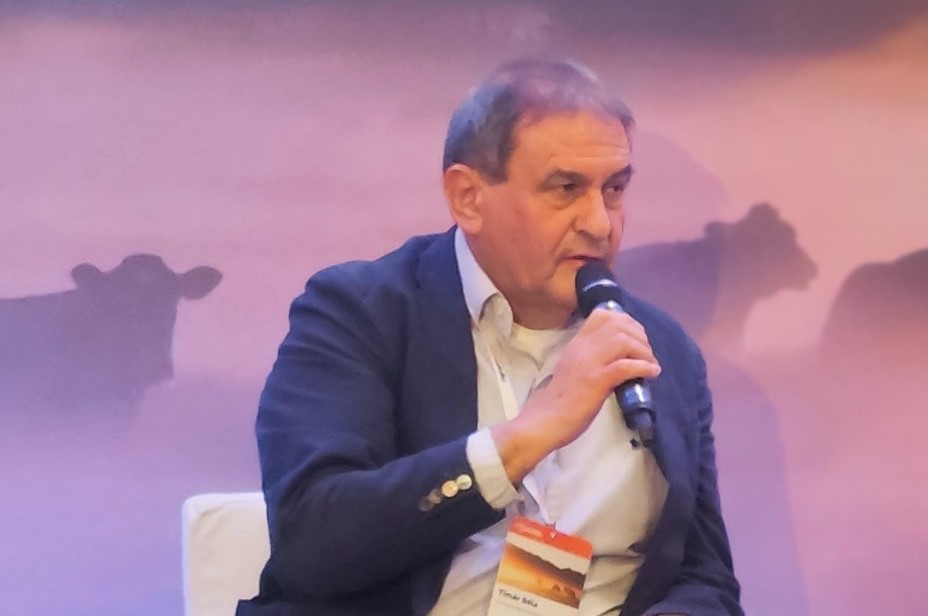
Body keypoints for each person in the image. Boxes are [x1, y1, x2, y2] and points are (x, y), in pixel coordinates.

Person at [237, 58, 742, 616]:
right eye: (565, 189)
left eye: (614, 189)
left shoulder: (662, 351)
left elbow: (706, 578)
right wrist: (527, 435)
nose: (600, 224)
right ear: (468, 197)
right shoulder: (360, 312)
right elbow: (312, 541)